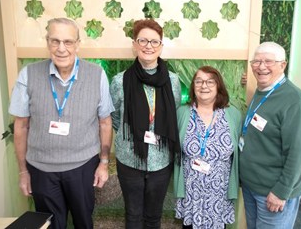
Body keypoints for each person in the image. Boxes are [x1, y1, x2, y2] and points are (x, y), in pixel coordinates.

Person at [9, 18, 114, 229]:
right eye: (55, 41)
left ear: (77, 43)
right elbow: (20, 127)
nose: (61, 48)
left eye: (68, 41)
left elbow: (105, 122)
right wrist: (23, 172)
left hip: (82, 166)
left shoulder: (96, 74)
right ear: (47, 42)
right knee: (51, 225)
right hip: (41, 169)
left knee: (84, 222)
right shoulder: (28, 75)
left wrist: (103, 163)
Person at [110, 19, 182, 228]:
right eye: (143, 40)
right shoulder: (119, 80)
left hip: (161, 160)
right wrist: (135, 135)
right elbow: (115, 118)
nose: (148, 46)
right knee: (132, 214)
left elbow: (175, 113)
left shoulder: (173, 81)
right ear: (134, 44)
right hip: (129, 159)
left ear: (161, 46)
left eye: (154, 41)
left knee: (153, 215)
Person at [239, 41, 301, 229]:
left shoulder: (295, 102)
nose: (261, 67)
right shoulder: (262, 91)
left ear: (283, 65)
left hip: (274, 192)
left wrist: (281, 191)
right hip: (252, 185)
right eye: (256, 61)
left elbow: (298, 154)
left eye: (268, 61)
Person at [173, 66, 242, 228]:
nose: (204, 86)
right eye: (199, 81)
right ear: (193, 86)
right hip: (191, 190)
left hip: (220, 191)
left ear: (219, 86)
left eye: (210, 81)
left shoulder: (233, 114)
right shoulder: (182, 113)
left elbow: (238, 149)